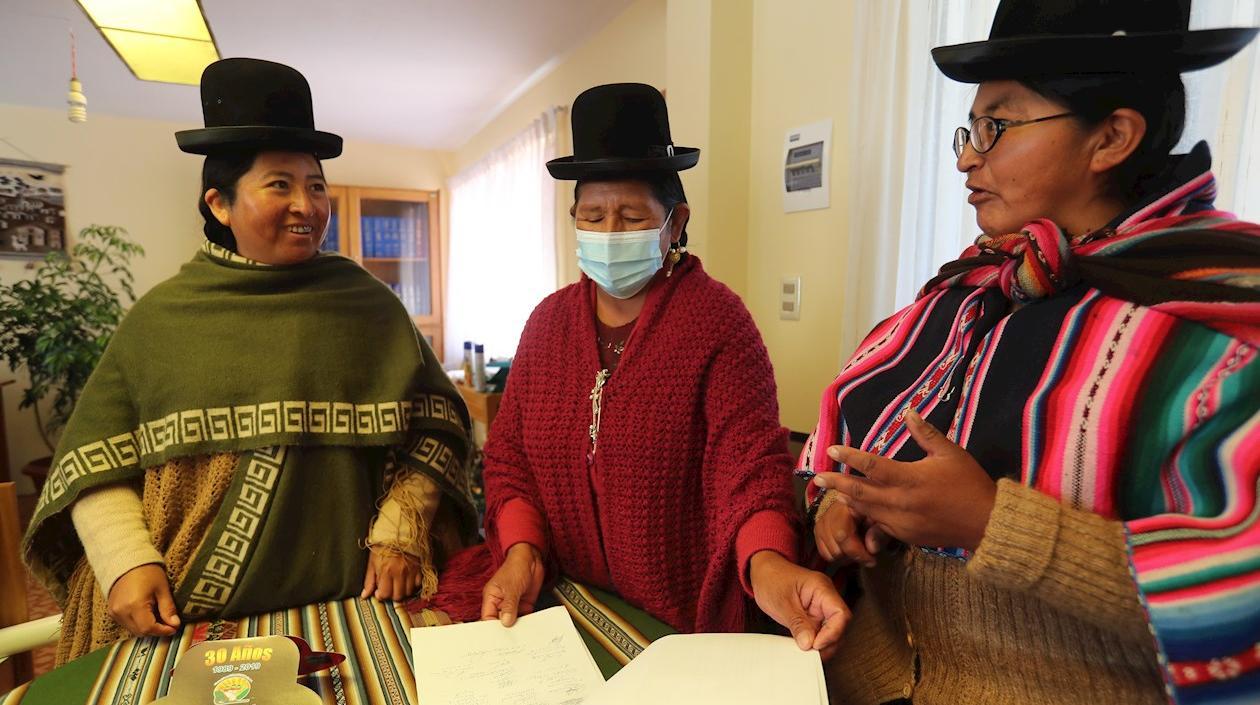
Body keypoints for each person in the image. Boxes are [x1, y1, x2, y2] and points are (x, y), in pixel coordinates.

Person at [805, 1, 1260, 703]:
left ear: (1111, 138)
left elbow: (1239, 604)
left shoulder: (1224, 327)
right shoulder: (973, 288)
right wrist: (844, 505)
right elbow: (855, 438)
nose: (965, 156)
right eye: (972, 126)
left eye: (998, 126)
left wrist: (991, 521)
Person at [22, 58, 477, 664]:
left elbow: (440, 427)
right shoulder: (162, 319)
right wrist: (124, 560)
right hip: (187, 612)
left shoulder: (369, 303)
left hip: (362, 599)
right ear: (219, 203)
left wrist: (401, 530)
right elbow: (94, 464)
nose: (307, 205)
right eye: (279, 185)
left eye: (316, 186)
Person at [434, 84, 847, 660]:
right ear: (573, 220)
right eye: (592, 216)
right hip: (561, 599)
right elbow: (510, 461)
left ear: (675, 222)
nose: (608, 233)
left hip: (680, 623)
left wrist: (770, 564)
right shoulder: (547, 324)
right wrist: (522, 550)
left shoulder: (718, 324)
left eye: (631, 217)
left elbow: (749, 469)